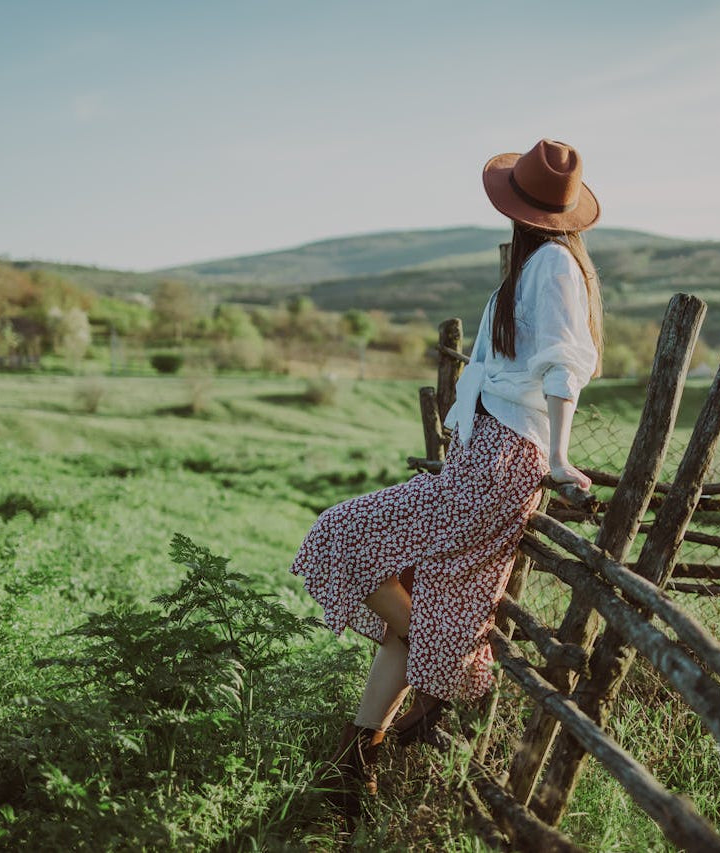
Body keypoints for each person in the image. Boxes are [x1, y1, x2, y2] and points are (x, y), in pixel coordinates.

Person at [290, 138, 603, 813]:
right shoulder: (539, 263)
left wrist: (555, 454)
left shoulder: (551, 265)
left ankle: (444, 672)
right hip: (481, 455)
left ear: (520, 209)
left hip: (499, 462)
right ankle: (357, 761)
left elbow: (563, 364)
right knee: (419, 594)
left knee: (338, 535)